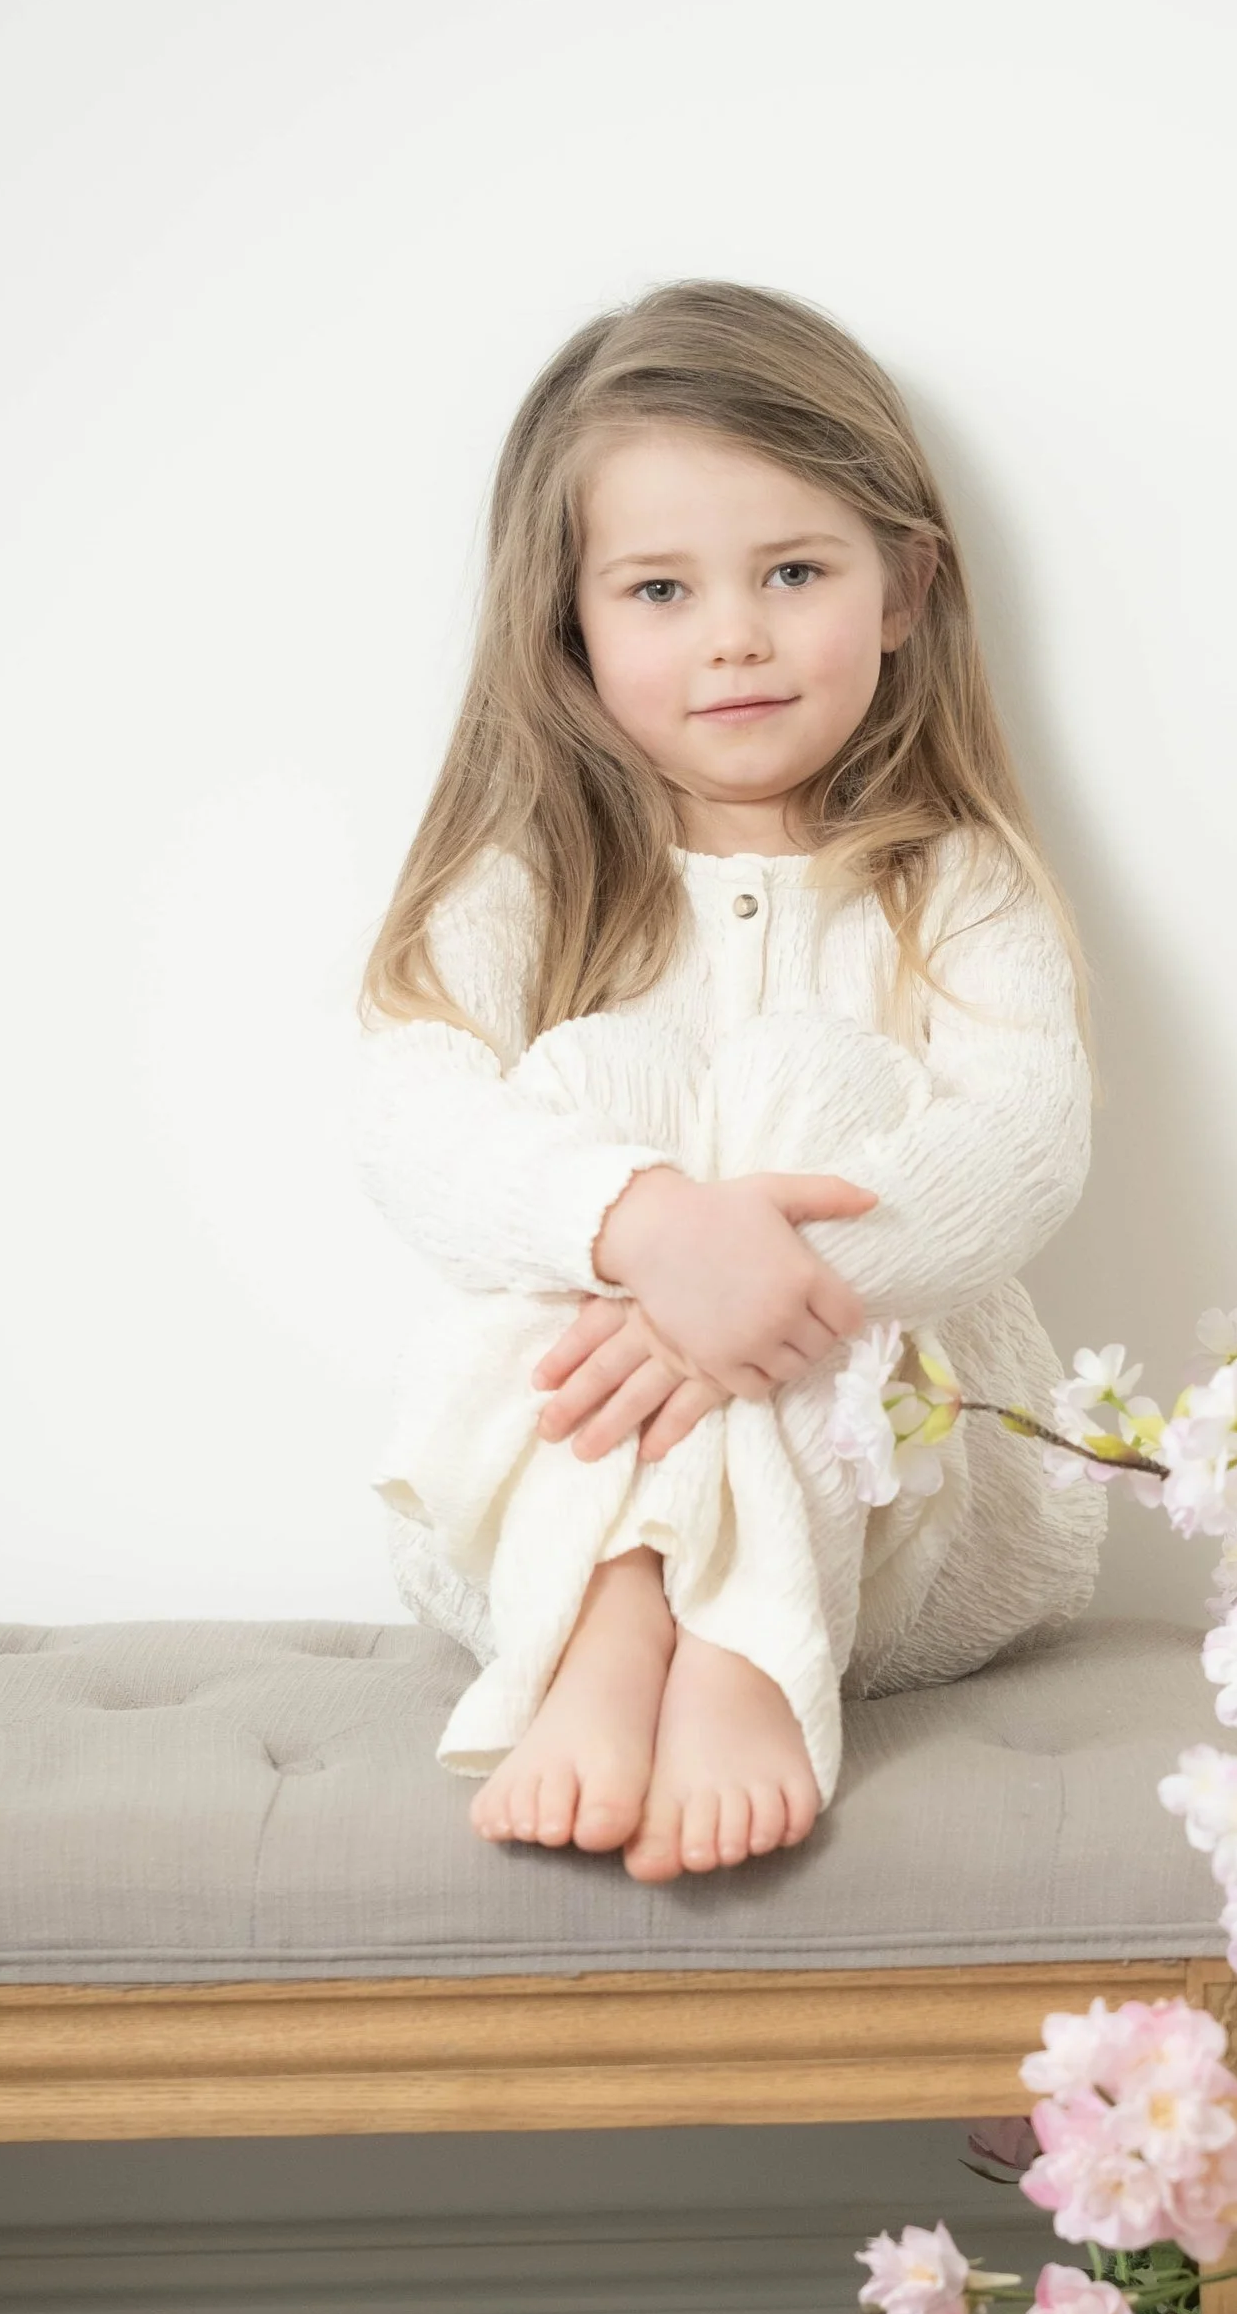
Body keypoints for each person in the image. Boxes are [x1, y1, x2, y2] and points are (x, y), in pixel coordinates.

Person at [355, 279, 1105, 1882]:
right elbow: (410, 1115)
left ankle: (752, 1656)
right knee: (597, 1088)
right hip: (544, 1536)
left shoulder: (950, 877)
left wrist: (760, 1280)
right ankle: (621, 1628)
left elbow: (1030, 1141)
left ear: (903, 587)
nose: (737, 634)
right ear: (570, 621)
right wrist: (641, 1230)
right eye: (659, 589)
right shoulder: (528, 879)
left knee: (803, 1091)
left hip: (904, 1534)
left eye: (791, 571)